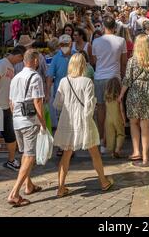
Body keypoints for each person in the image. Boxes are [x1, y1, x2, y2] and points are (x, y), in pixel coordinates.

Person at [53, 53, 113, 197]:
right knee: (94, 153)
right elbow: (89, 106)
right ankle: (103, 181)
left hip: (67, 121)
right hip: (83, 121)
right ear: (83, 65)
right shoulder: (87, 82)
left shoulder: (63, 81)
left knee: (66, 155)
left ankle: (61, 187)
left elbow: (58, 104)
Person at [8, 49, 46, 207]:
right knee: (30, 156)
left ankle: (28, 185)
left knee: (25, 154)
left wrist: (16, 117)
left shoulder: (16, 77)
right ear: (35, 61)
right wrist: (43, 122)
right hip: (29, 121)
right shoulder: (35, 77)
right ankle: (14, 193)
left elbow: (11, 102)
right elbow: (38, 102)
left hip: (16, 120)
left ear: (24, 61)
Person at [119, 34, 149, 167]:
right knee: (145, 126)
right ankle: (146, 157)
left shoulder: (132, 61)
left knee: (133, 123)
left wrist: (121, 95)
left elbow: (127, 80)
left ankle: (136, 151)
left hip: (135, 94)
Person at [92, 16, 127, 152]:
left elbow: (94, 61)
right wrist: (123, 77)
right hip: (114, 78)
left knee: (101, 109)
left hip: (100, 77)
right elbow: (123, 62)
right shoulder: (121, 41)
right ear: (115, 27)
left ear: (102, 26)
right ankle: (113, 140)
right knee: (115, 110)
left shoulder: (96, 42)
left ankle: (102, 141)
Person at [0, 46, 26, 171]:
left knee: (9, 134)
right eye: (21, 59)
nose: (20, 62)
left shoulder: (11, 66)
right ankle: (11, 160)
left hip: (5, 106)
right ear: (19, 55)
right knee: (8, 134)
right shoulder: (2, 64)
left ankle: (11, 160)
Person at [46, 35, 72, 146]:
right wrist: (47, 92)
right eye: (62, 45)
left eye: (67, 44)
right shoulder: (56, 58)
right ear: (59, 45)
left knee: (72, 120)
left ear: (71, 44)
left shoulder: (76, 55)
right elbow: (50, 76)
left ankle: (70, 144)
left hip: (74, 94)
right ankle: (63, 145)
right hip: (60, 94)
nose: (65, 47)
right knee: (61, 120)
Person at [105, 78, 126, 158]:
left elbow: (106, 109)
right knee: (120, 134)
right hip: (118, 118)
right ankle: (117, 150)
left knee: (111, 135)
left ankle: (112, 151)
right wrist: (124, 119)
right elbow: (122, 110)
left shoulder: (107, 97)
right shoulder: (119, 97)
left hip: (108, 119)